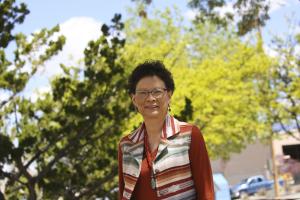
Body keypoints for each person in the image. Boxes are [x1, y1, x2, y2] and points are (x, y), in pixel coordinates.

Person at [118, 60, 214, 200]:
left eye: (157, 92)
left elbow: (207, 194)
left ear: (169, 94)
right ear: (133, 99)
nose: (150, 98)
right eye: (143, 93)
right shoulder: (126, 145)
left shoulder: (190, 135)